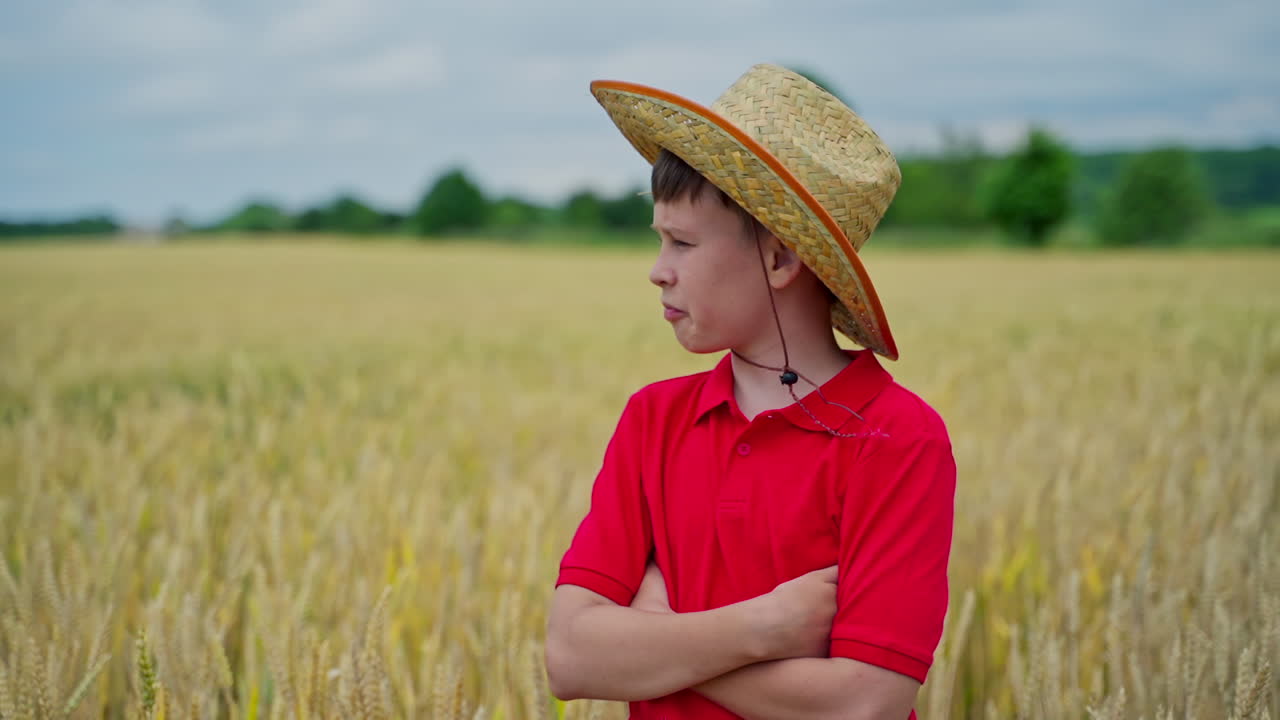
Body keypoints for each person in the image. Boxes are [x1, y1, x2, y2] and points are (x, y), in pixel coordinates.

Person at [544, 63, 956, 720]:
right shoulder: (654, 421)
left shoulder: (896, 438)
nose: (657, 272)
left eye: (681, 242)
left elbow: (863, 705)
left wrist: (660, 634)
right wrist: (762, 628)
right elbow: (570, 657)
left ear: (780, 259)